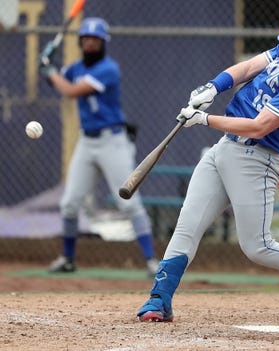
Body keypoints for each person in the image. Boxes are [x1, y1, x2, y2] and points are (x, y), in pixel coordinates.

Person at [135, 7, 279, 322]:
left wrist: (204, 119)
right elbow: (248, 68)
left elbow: (258, 126)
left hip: (258, 159)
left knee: (258, 247)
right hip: (225, 148)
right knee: (188, 224)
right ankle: (158, 300)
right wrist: (214, 86)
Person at [38, 18, 158, 276]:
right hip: (87, 141)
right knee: (70, 203)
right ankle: (68, 259)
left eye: (96, 39)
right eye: (86, 39)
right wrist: (48, 62)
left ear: (103, 43)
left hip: (112, 142)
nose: (90, 43)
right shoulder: (77, 67)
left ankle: (151, 261)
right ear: (81, 42)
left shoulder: (108, 69)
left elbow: (70, 90)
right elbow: (59, 78)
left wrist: (50, 72)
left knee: (128, 201)